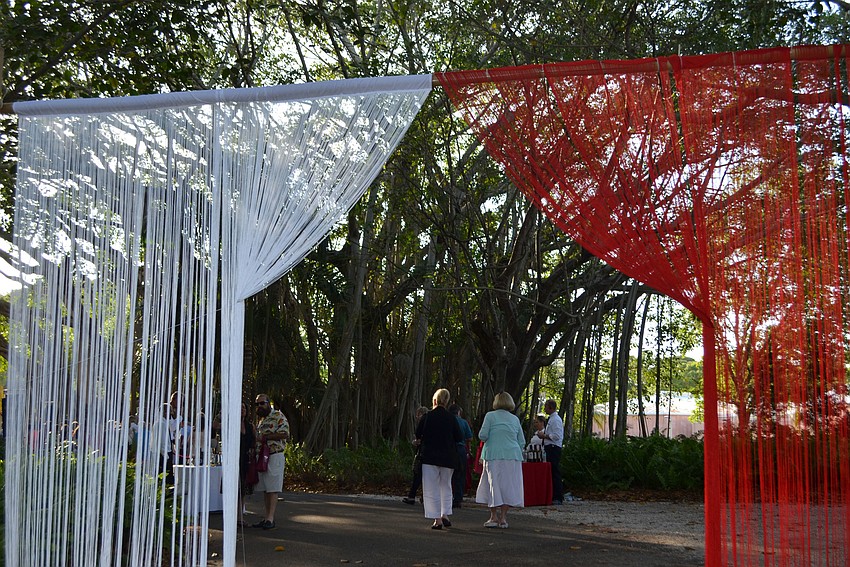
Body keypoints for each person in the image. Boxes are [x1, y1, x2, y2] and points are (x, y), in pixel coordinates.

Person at [475, 391, 525, 528]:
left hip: (493, 455)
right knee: (508, 486)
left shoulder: (490, 416)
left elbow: (483, 435)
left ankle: (493, 517)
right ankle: (503, 518)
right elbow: (522, 441)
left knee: (493, 485)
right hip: (512, 456)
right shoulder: (514, 419)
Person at [415, 388, 462, 529]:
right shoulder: (452, 418)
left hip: (430, 456)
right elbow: (459, 437)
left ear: (434, 400)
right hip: (448, 457)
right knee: (446, 486)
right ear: (447, 401)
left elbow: (418, 434)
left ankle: (437, 519)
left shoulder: (428, 416)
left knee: (431, 487)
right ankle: (445, 514)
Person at [253, 393, 290, 530]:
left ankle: (270, 519)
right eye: (257, 404)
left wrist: (265, 437)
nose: (260, 406)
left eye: (262, 403)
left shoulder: (278, 416)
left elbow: (285, 433)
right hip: (262, 457)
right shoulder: (261, 421)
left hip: (274, 455)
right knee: (265, 488)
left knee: (273, 488)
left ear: (269, 403)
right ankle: (266, 517)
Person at [537, 399, 564, 505]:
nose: (545, 408)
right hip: (549, 448)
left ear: (551, 408)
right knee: (551, 472)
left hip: (554, 448)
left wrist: (545, 436)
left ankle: (558, 496)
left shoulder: (556, 420)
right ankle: (552, 495)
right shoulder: (551, 419)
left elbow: (557, 436)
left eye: (546, 406)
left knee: (555, 472)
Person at [448, 404, 473, 507]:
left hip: (448, 448)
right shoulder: (463, 422)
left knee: (447, 474)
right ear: (458, 412)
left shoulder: (447, 421)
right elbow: (470, 437)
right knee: (460, 473)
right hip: (460, 448)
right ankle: (458, 498)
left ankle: (447, 496)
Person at [403, 406, 429, 505]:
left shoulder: (424, 421)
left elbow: (419, 437)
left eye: (418, 414)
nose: (417, 417)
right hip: (426, 452)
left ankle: (412, 496)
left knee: (418, 475)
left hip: (422, 453)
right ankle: (422, 496)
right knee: (424, 476)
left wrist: (416, 442)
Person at [239, 401, 257, 522]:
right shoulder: (231, 424)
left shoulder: (250, 426)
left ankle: (240, 515)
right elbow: (215, 425)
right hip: (236, 459)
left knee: (243, 488)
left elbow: (255, 441)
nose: (242, 410)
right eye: (240, 408)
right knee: (236, 487)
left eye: (244, 408)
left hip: (246, 459)